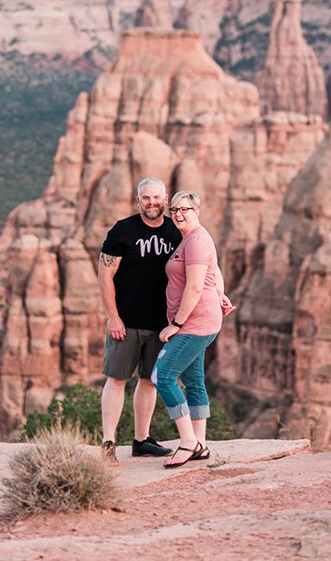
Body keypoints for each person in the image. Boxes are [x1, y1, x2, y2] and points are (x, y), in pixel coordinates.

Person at [97, 177, 181, 463]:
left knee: (150, 381)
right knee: (117, 379)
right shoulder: (123, 231)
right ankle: (108, 442)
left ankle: (141, 440)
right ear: (138, 201)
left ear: (165, 200)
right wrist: (113, 317)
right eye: (146, 198)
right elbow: (105, 274)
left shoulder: (175, 232)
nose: (152, 203)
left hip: (162, 324)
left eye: (156, 198)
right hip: (127, 321)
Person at [151, 189, 234, 468]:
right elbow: (215, 271)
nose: (178, 214)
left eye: (185, 209)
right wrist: (220, 293)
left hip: (194, 323)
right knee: (195, 382)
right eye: (174, 210)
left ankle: (188, 442)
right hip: (200, 319)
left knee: (161, 376)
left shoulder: (196, 240)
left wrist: (175, 324)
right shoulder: (192, 239)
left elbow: (196, 285)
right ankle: (201, 445)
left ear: (196, 212)